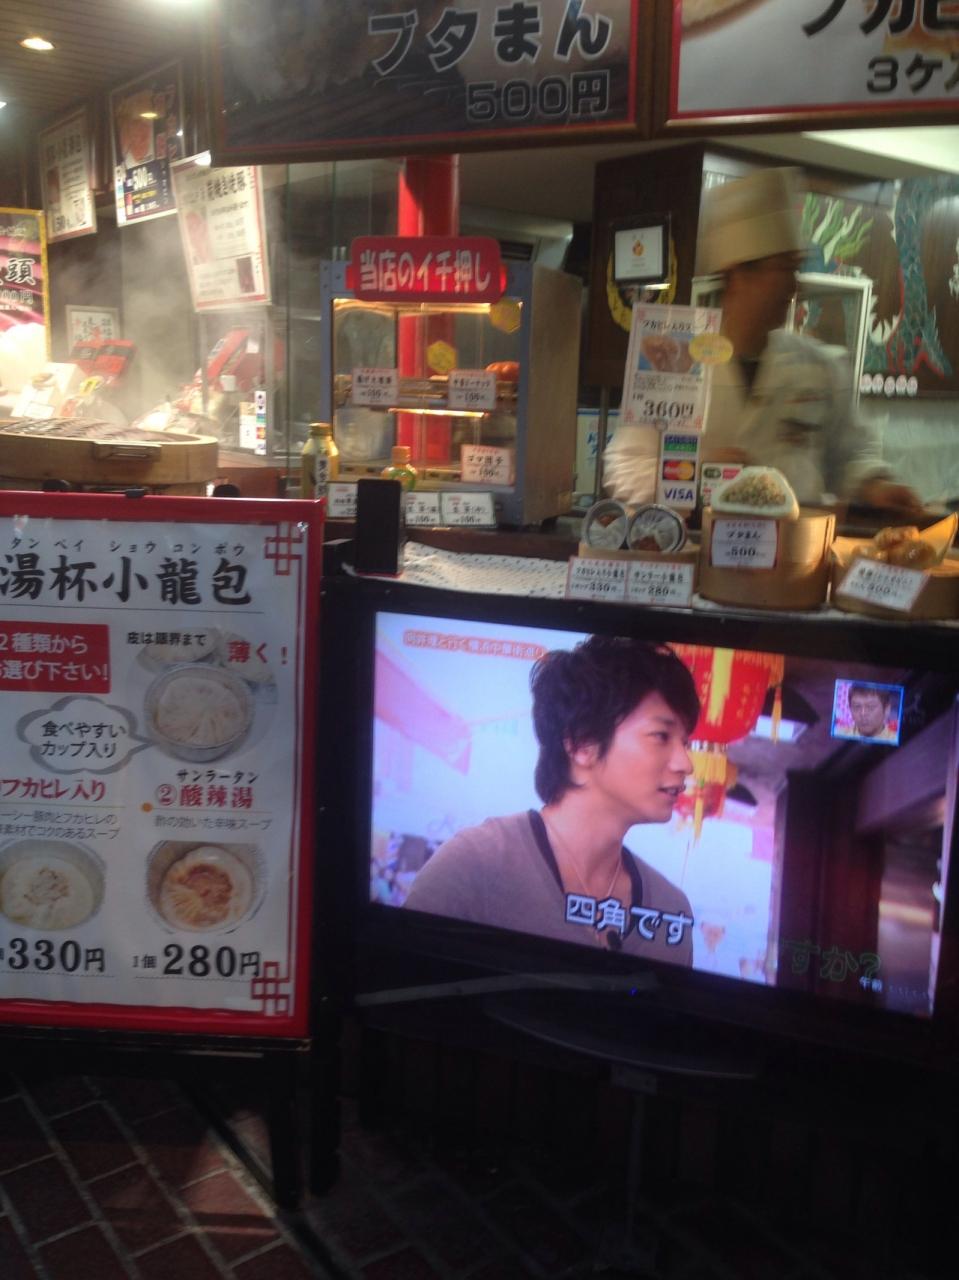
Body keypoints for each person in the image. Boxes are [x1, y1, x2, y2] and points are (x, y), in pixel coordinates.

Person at [603, 167, 923, 513]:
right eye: (783, 269)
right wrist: (698, 472)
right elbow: (624, 468)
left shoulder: (820, 365)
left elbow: (850, 454)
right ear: (736, 273)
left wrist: (874, 485)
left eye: (795, 269)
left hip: (796, 541)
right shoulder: (672, 359)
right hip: (698, 540)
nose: (794, 285)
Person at [404, 636, 700, 963]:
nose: (685, 764)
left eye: (685, 742)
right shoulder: (474, 867)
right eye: (661, 736)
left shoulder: (670, 911)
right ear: (581, 744)